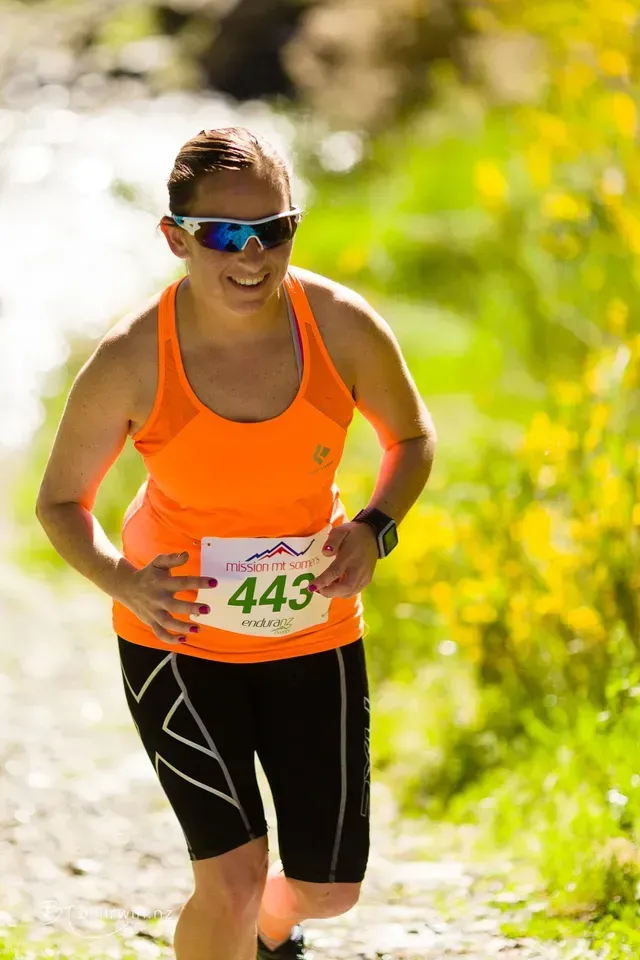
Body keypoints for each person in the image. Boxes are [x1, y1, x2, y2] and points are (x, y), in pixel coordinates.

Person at [35, 126, 436, 960]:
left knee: (328, 889)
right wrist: (124, 580)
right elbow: (62, 502)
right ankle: (235, 923)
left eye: (273, 229)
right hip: (175, 637)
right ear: (176, 237)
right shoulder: (132, 357)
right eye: (222, 234)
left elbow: (412, 438)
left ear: (294, 226)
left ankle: (267, 933)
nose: (250, 255)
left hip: (311, 633)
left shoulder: (341, 326)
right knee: (231, 873)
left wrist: (374, 526)